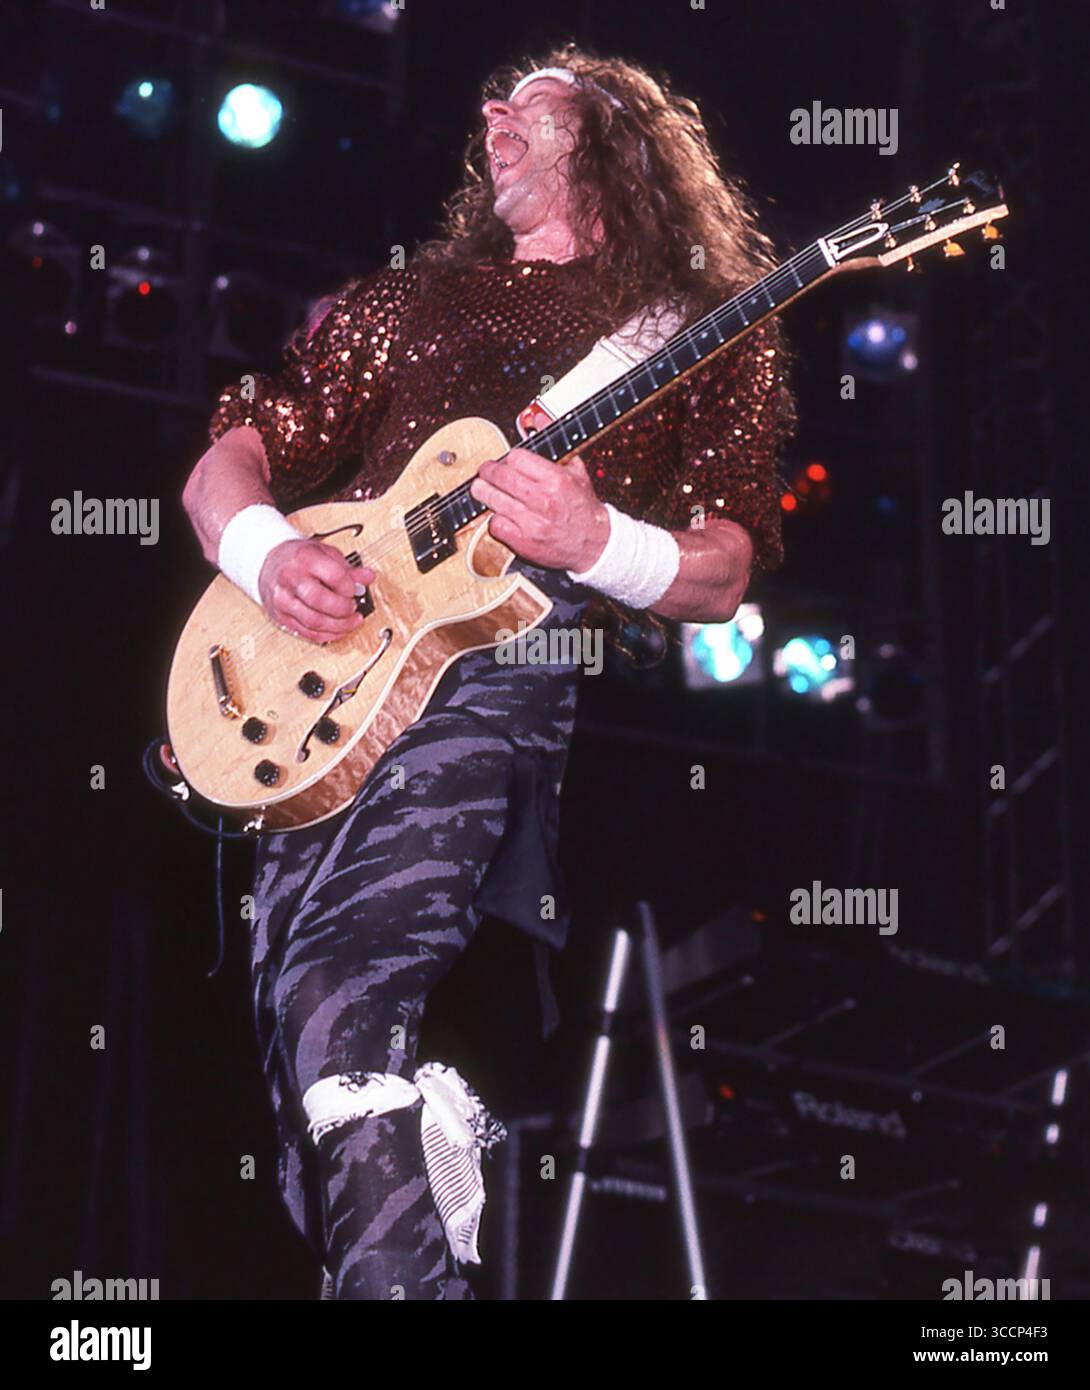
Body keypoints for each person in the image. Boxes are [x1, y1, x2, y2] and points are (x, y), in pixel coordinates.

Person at [181, 46, 795, 1300]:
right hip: (320, 691)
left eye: (535, 99)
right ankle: (424, 1153)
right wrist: (267, 549)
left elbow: (724, 571)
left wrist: (593, 540)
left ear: (615, 141)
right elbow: (223, 465)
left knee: (345, 993)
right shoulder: (401, 307)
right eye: (493, 101)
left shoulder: (700, 331)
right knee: (313, 1063)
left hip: (494, 673)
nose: (491, 113)